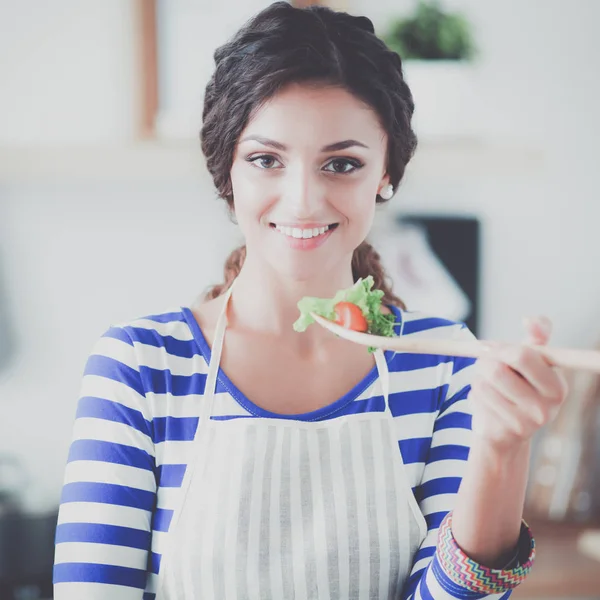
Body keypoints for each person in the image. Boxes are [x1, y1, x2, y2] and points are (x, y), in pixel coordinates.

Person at [52, 2, 568, 599]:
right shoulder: (142, 366)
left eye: (341, 164)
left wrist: (503, 451)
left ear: (386, 175)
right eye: (266, 160)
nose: (302, 201)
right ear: (227, 172)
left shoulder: (446, 361)